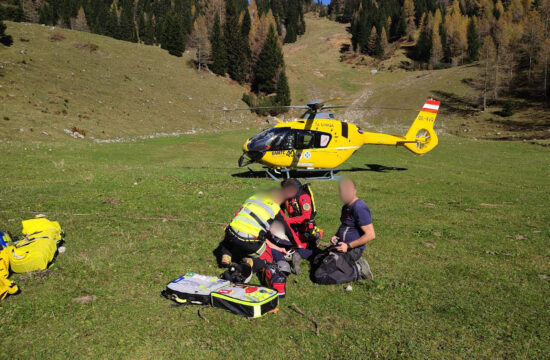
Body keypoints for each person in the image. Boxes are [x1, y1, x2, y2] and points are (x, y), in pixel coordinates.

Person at [311, 177, 375, 284]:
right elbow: (345, 225)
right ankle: (344, 263)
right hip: (341, 246)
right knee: (316, 260)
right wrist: (336, 235)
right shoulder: (345, 207)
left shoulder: (359, 207)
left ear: (354, 191)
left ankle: (358, 270)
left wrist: (348, 246)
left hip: (352, 249)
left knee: (320, 275)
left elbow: (371, 235)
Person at [219, 189, 284, 272]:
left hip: (231, 232)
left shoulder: (254, 199)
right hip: (249, 240)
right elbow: (264, 239)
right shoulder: (273, 210)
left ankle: (226, 255)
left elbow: (235, 217)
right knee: (268, 258)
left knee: (229, 235)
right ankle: (248, 263)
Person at [278, 178, 322, 275]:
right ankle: (297, 251)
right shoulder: (287, 197)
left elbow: (306, 217)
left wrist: (286, 221)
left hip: (305, 228)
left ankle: (299, 251)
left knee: (306, 245)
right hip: (293, 227)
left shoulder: (303, 197)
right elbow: (279, 209)